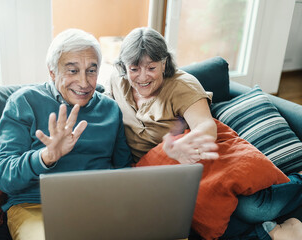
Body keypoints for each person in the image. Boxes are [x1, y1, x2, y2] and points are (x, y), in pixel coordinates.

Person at [107, 27, 302, 240]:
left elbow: (206, 127)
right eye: (134, 69)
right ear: (123, 67)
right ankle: (272, 232)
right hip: (151, 176)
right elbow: (104, 109)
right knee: (213, 220)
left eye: (151, 68)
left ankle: (297, 182)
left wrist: (184, 146)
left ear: (164, 63)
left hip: (198, 161)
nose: (142, 77)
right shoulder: (118, 82)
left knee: (253, 208)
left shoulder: (183, 86)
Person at [0, 29, 132, 240]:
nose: (84, 83)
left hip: (99, 204)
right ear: (52, 72)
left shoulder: (110, 110)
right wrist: (45, 157)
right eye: (73, 71)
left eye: (91, 71)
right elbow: (3, 177)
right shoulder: (24, 102)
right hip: (36, 206)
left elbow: (125, 172)